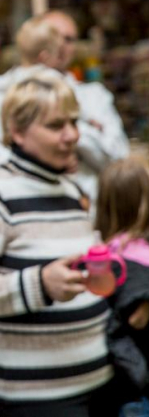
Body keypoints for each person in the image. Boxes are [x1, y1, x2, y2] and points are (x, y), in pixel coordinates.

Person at [0, 72, 124, 416]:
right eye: (56, 126)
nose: (72, 135)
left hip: (99, 381)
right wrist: (40, 284)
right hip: (35, 397)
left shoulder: (73, 191)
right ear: (18, 131)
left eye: (74, 122)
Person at [0, 11, 129, 204]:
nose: (62, 45)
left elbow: (119, 158)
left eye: (68, 39)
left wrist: (78, 134)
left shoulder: (93, 96)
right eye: (53, 37)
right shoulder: (4, 96)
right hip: (29, 209)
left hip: (87, 212)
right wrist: (39, 166)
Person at [95, 157, 149, 415]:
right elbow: (138, 319)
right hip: (140, 387)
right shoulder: (136, 256)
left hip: (119, 382)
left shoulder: (103, 254)